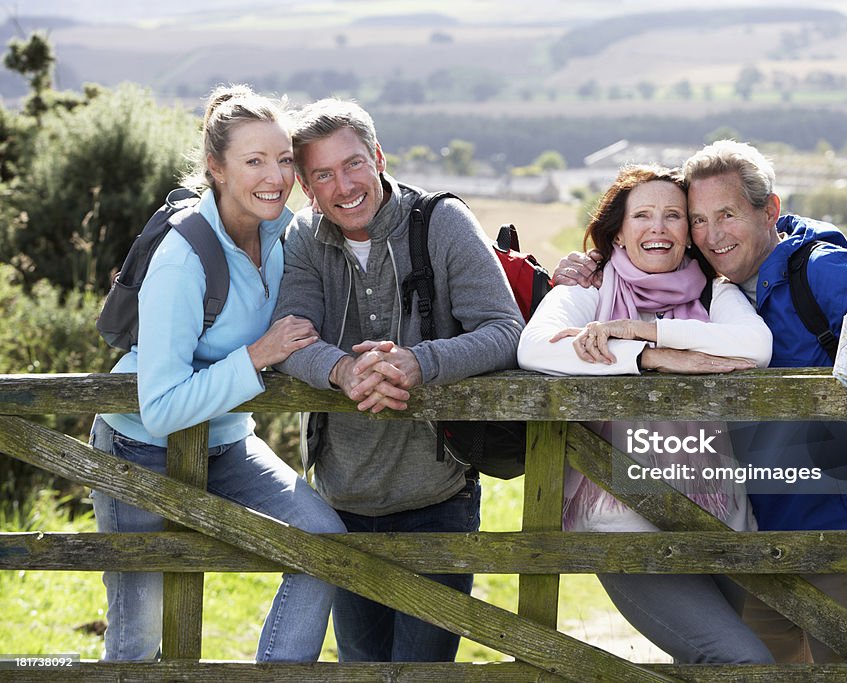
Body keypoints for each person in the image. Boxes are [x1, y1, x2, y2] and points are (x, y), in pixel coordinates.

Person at [552, 140, 847, 663]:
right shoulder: (709, 287)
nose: (713, 236)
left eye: (728, 215)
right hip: (758, 535)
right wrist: (588, 262)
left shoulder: (822, 271)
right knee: (759, 669)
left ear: (769, 211)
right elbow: (641, 250)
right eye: (700, 220)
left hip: (846, 526)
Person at [89, 85, 346, 662]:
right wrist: (257, 355)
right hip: (138, 446)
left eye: (283, 160)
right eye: (254, 161)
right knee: (137, 639)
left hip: (227, 442)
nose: (275, 176)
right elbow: (161, 407)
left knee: (323, 546)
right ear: (216, 168)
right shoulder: (184, 257)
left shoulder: (288, 236)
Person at [271, 99, 523, 663]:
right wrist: (343, 370)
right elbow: (291, 338)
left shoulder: (441, 223)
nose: (344, 185)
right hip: (340, 501)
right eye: (323, 175)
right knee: (360, 669)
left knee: (422, 673)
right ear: (307, 188)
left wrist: (418, 363)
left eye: (354, 164)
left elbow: (507, 330)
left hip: (437, 497)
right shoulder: (305, 239)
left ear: (379, 157)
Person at [518, 164, 774, 664]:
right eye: (643, 215)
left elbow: (754, 347)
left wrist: (641, 332)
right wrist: (650, 360)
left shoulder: (711, 290)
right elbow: (534, 348)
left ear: (689, 232)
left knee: (703, 666)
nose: (658, 228)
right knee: (742, 661)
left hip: (721, 517)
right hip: (624, 522)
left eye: (674, 216)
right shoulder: (586, 291)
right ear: (618, 231)